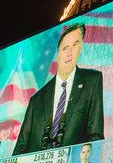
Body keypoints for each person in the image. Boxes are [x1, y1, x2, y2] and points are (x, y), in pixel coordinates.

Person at [13, 23, 104, 155]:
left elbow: (95, 137)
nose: (70, 53)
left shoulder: (92, 80)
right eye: (66, 48)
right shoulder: (36, 100)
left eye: (75, 45)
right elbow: (20, 150)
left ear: (81, 48)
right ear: (59, 54)